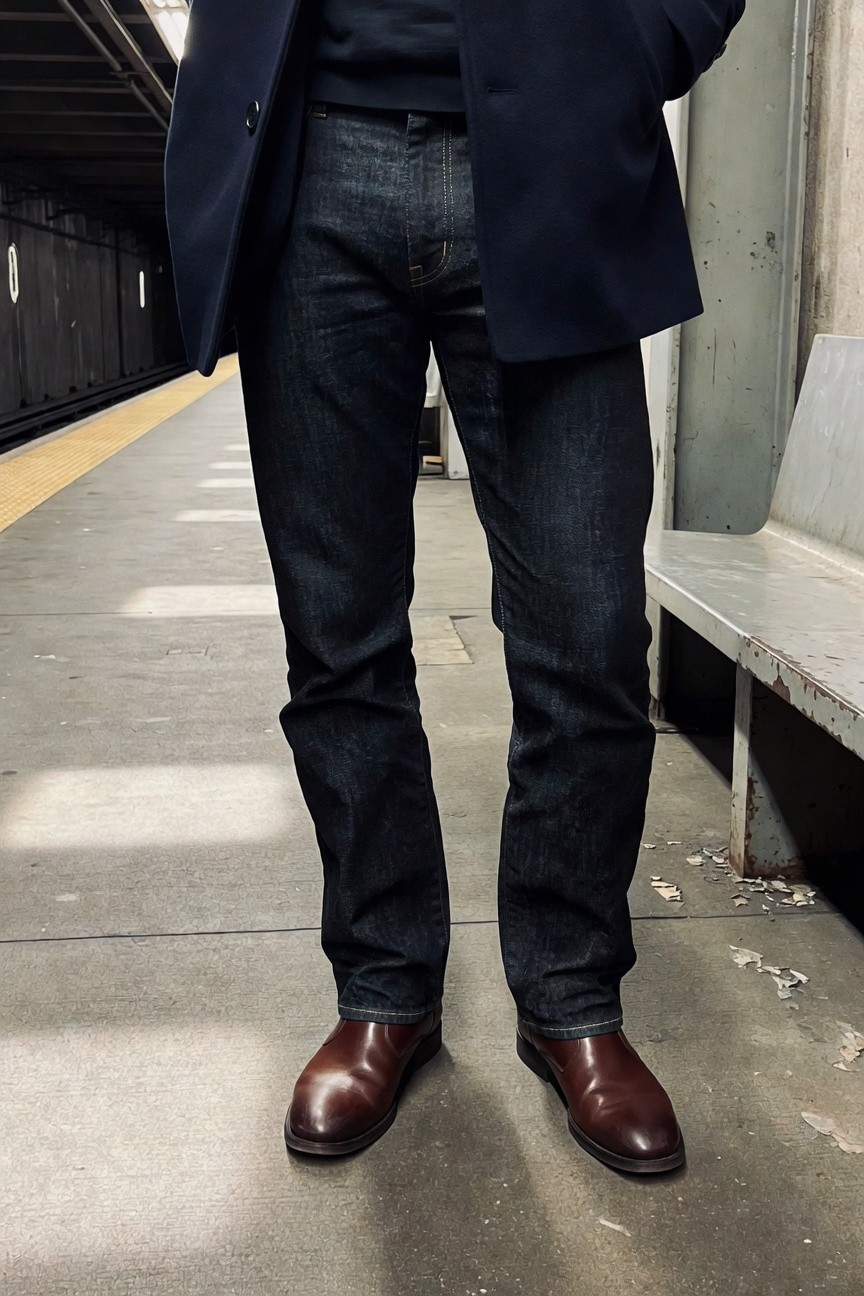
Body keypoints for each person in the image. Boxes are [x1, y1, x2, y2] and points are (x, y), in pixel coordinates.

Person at [165, 0, 745, 1173]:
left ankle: (573, 998)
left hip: (553, 155)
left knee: (586, 634)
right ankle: (386, 988)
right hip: (305, 152)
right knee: (340, 639)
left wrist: (641, 45)